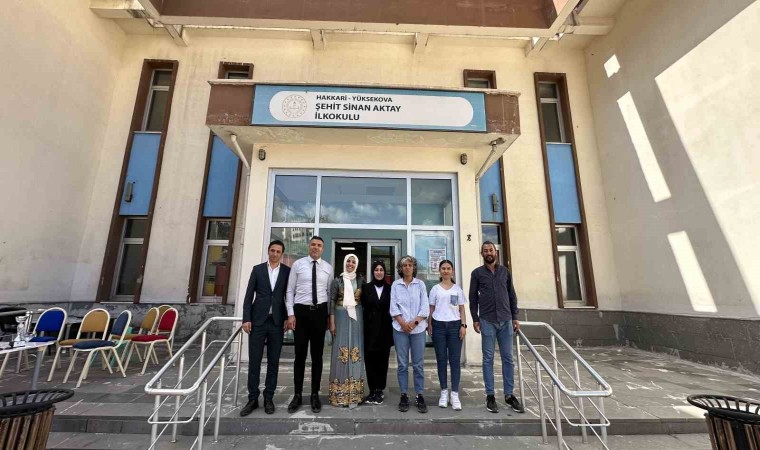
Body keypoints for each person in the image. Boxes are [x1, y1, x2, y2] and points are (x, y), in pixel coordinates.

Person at [469, 241, 525, 414]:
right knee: (488, 358)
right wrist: (475, 319)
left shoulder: (505, 272)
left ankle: (509, 395)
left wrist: (515, 316)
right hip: (487, 320)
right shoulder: (477, 273)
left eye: (490, 250)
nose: (488, 253)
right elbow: (472, 298)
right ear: (482, 254)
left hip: (506, 320)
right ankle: (490, 395)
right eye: (485, 251)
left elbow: (511, 294)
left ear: (496, 252)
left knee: (508, 358)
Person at [240, 240, 291, 416]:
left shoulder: (286, 271)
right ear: (268, 251)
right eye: (272, 250)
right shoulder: (258, 270)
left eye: (278, 251)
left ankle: (269, 398)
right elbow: (248, 296)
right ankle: (252, 398)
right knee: (254, 361)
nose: (275, 253)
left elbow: (289, 296)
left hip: (277, 322)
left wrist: (288, 317)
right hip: (258, 321)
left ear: (282, 254)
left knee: (273, 362)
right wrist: (246, 318)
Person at [286, 236, 334, 414]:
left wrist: (329, 317)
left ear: (323, 249)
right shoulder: (298, 265)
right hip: (301, 313)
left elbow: (330, 294)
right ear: (309, 246)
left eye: (319, 245)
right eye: (313, 244)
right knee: (299, 356)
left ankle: (315, 394)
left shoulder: (328, 268)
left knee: (317, 357)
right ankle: (297, 395)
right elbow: (290, 290)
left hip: (319, 314)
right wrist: (290, 313)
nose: (315, 247)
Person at [390, 255, 429, 414]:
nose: (407, 268)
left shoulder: (420, 284)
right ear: (400, 268)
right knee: (402, 364)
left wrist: (414, 323)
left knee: (418, 364)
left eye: (410, 265)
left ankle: (419, 395)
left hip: (418, 330)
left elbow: (425, 307)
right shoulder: (395, 285)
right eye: (404, 265)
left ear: (414, 268)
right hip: (400, 330)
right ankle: (404, 395)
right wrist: (403, 323)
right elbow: (393, 307)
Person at [427, 259, 466, 411]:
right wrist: (429, 324)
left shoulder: (457, 289)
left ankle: (454, 394)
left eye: (448, 268)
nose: (446, 271)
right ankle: (444, 392)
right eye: (443, 268)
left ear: (452, 271)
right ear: (440, 271)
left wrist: (463, 325)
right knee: (441, 360)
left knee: (455, 361)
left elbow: (461, 309)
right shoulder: (435, 289)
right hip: (438, 326)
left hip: (455, 326)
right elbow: (431, 308)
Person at [327, 254, 365, 407]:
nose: (350, 264)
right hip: (340, 316)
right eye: (348, 261)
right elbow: (332, 301)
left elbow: (364, 300)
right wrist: (331, 321)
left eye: (353, 262)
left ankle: (354, 395)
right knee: (341, 352)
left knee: (355, 351)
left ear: (356, 264)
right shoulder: (337, 280)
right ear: (344, 263)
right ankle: (339, 395)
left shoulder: (361, 280)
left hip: (357, 317)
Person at [360, 260, 394, 405]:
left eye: (381, 270)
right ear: (373, 272)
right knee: (370, 361)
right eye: (376, 270)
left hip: (385, 330)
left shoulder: (390, 288)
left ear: (384, 272)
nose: (379, 272)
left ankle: (379, 390)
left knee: (382, 361)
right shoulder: (365, 287)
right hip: (369, 330)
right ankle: (372, 390)